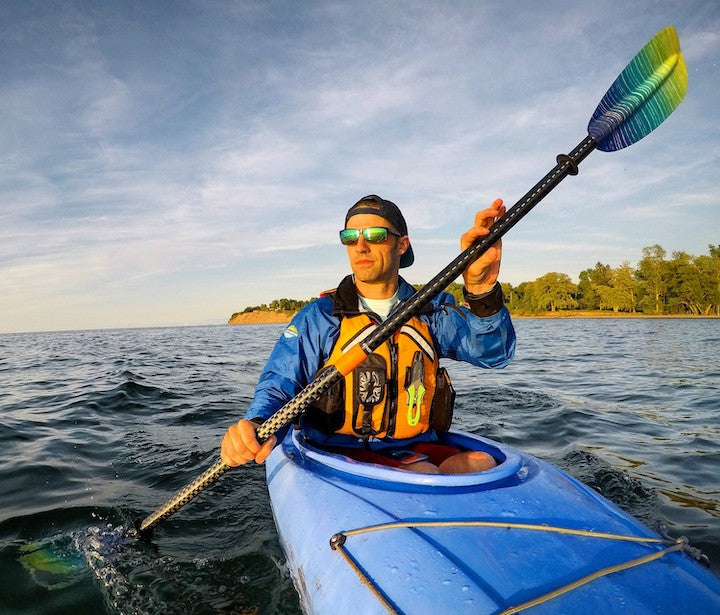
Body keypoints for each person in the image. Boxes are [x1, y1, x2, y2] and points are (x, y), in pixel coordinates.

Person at [221, 195, 515, 473]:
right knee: (426, 471)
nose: (360, 246)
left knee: (481, 462)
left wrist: (480, 287)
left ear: (402, 245)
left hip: (413, 446)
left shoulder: (432, 311)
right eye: (350, 238)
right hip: (333, 452)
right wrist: (257, 423)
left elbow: (494, 353)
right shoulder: (321, 316)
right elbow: (280, 384)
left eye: (375, 235)